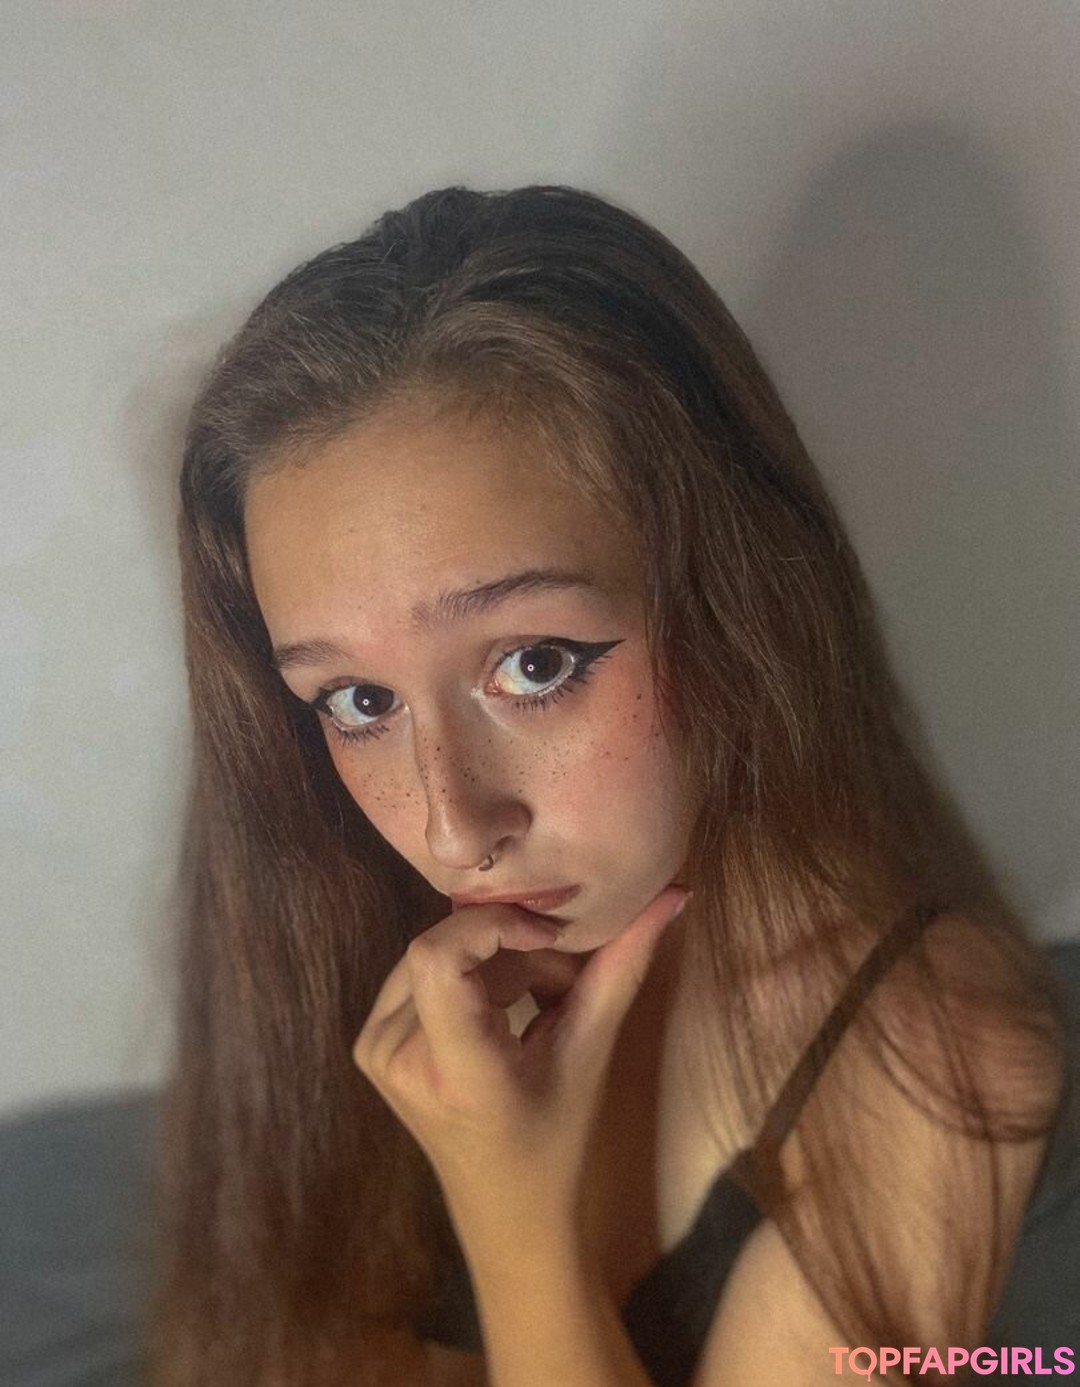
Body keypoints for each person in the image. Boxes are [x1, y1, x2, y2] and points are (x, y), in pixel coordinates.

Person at [149, 184, 1078, 1387]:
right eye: (359, 701)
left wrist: (514, 1219)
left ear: (738, 602)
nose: (453, 828)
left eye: (535, 664)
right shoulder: (336, 925)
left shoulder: (936, 1056)